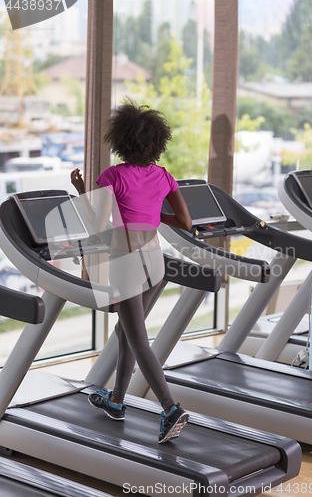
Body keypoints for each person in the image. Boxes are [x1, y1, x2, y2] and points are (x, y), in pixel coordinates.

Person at [70, 99, 192, 443]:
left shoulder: (113, 176)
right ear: (157, 142)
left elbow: (98, 225)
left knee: (137, 338)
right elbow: (185, 221)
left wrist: (81, 192)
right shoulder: (164, 175)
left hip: (126, 263)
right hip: (155, 261)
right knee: (127, 333)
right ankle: (118, 401)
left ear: (121, 140)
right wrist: (153, 217)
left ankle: (170, 408)